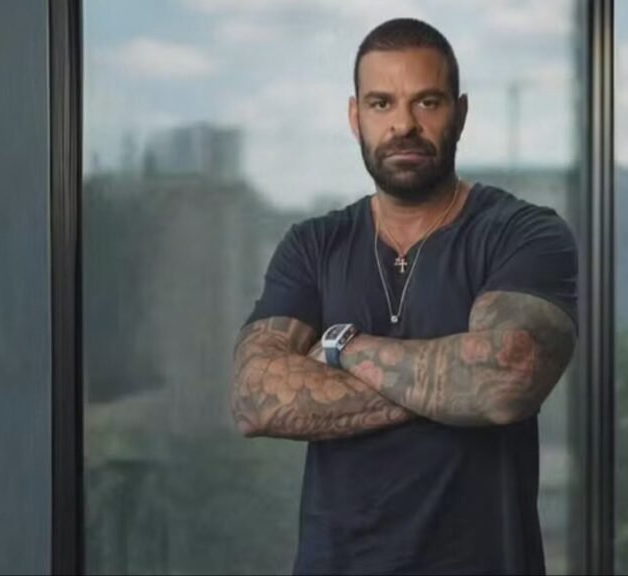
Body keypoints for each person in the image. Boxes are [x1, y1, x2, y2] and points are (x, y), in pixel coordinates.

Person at [232, 17, 578, 576]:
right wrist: (451, 389)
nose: (404, 125)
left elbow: (503, 382)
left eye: (427, 102)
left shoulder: (523, 232)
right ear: (356, 117)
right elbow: (254, 397)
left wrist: (341, 348)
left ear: (460, 113)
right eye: (381, 103)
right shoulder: (314, 245)